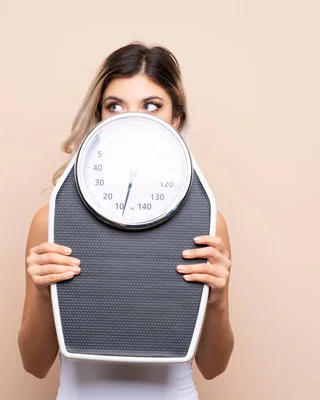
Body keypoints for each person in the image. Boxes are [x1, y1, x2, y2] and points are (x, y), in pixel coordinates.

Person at [18, 42, 234, 400]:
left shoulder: (207, 221)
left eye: (152, 106)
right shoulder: (53, 220)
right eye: (115, 106)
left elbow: (214, 367)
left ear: (175, 118)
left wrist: (218, 300)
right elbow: (34, 364)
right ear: (100, 116)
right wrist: (43, 294)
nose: (132, 119)